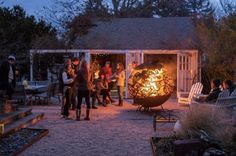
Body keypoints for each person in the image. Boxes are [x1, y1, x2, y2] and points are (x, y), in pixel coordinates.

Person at [76, 52, 91, 121]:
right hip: (87, 88)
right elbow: (90, 80)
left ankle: (78, 117)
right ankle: (87, 116)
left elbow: (77, 80)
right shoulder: (88, 72)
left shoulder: (79, 71)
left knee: (79, 102)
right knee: (88, 102)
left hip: (81, 88)